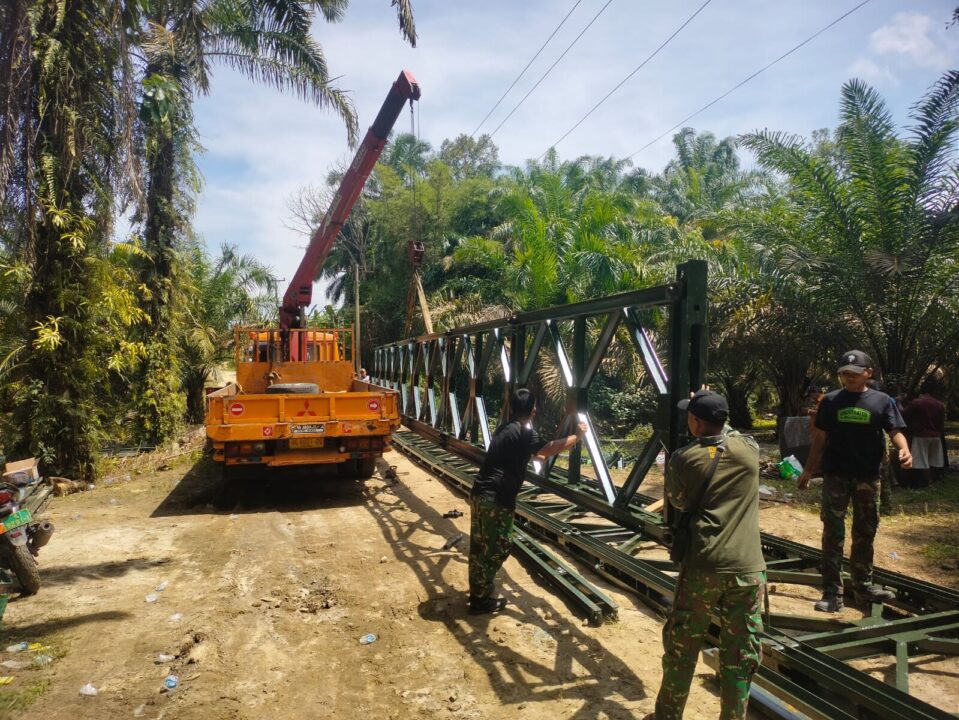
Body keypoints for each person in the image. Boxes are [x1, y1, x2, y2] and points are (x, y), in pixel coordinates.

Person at [644, 390, 766, 720]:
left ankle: (667, 715)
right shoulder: (750, 449)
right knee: (740, 658)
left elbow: (679, 502)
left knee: (682, 649)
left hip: (704, 565)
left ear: (696, 421)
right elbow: (734, 434)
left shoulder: (684, 458)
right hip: (748, 569)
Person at [797, 350, 912, 612]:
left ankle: (863, 586)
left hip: (868, 478)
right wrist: (808, 471)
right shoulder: (831, 401)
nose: (849, 377)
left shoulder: (882, 401)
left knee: (865, 533)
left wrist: (904, 449)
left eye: (854, 373)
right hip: (836, 476)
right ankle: (831, 593)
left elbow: (895, 430)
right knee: (833, 533)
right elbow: (820, 439)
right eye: (844, 373)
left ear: (868, 373)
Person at [467, 388, 586, 615]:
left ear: (511, 408)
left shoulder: (507, 429)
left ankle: (478, 595)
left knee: (480, 547)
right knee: (498, 547)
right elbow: (548, 449)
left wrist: (551, 446)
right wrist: (577, 436)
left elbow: (539, 454)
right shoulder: (523, 432)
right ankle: (481, 598)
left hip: (481, 494)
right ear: (533, 410)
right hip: (496, 499)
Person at [900, 380, 946, 487]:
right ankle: (936, 481)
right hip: (935, 436)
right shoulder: (939, 405)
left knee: (922, 461)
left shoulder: (916, 403)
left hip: (921, 436)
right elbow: (941, 423)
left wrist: (898, 402)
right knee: (934, 460)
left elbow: (903, 414)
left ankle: (926, 482)